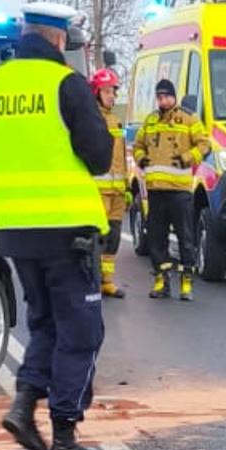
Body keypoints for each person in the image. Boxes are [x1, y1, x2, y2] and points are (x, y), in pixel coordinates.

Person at [0, 2, 113, 450]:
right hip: (68, 230)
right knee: (81, 334)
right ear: (60, 39)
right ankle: (65, 437)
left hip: (16, 231)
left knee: (44, 323)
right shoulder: (65, 84)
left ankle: (24, 406)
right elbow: (99, 156)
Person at [135, 79, 210, 300]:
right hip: (156, 191)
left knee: (185, 238)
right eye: (159, 97)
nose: (163, 100)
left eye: (167, 96)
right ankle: (161, 281)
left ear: (174, 97)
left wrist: (187, 158)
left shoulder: (188, 119)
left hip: (179, 191)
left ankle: (186, 283)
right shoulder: (150, 121)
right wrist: (141, 159)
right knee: (156, 239)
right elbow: (138, 145)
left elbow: (204, 144)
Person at [89, 67, 129, 298]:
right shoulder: (92, 120)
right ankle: (93, 280)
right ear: (96, 92)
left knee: (113, 237)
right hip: (98, 191)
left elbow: (122, 156)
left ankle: (107, 280)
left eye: (113, 91)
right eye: (107, 91)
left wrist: (126, 188)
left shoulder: (116, 120)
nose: (112, 96)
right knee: (97, 238)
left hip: (117, 192)